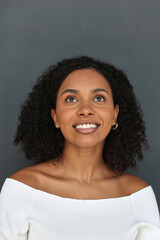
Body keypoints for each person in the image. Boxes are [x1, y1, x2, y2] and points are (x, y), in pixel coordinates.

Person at [0, 56, 160, 240]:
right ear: (55, 117)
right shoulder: (22, 190)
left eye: (99, 98)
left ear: (115, 115)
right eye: (71, 99)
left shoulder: (138, 197)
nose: (86, 109)